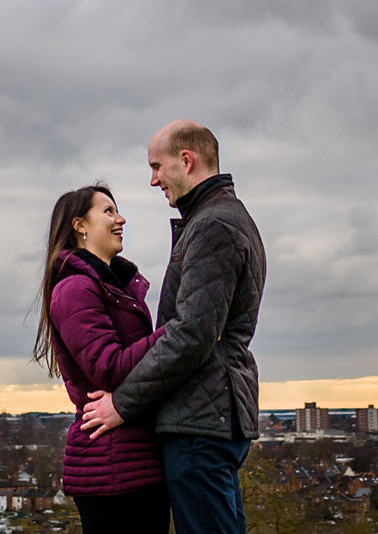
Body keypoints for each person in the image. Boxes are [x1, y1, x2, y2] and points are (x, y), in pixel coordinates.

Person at [80, 121, 266, 534]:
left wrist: (122, 403)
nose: (153, 180)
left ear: (186, 160)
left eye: (156, 166)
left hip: (200, 421)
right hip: (212, 415)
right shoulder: (222, 218)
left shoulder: (213, 225)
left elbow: (191, 335)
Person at [35, 184, 171, 534]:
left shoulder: (113, 287)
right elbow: (107, 369)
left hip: (134, 460)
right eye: (108, 211)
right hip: (111, 470)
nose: (120, 219)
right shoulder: (75, 289)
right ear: (79, 225)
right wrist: (173, 333)